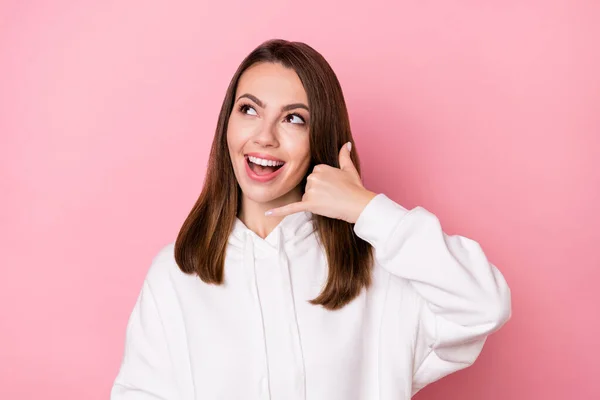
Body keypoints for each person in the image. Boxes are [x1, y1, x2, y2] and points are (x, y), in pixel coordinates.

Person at [111, 39, 512, 400]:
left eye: (293, 119)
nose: (264, 136)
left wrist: (366, 209)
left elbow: (482, 305)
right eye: (249, 109)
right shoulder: (176, 274)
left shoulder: (377, 269)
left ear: (320, 137)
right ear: (227, 126)